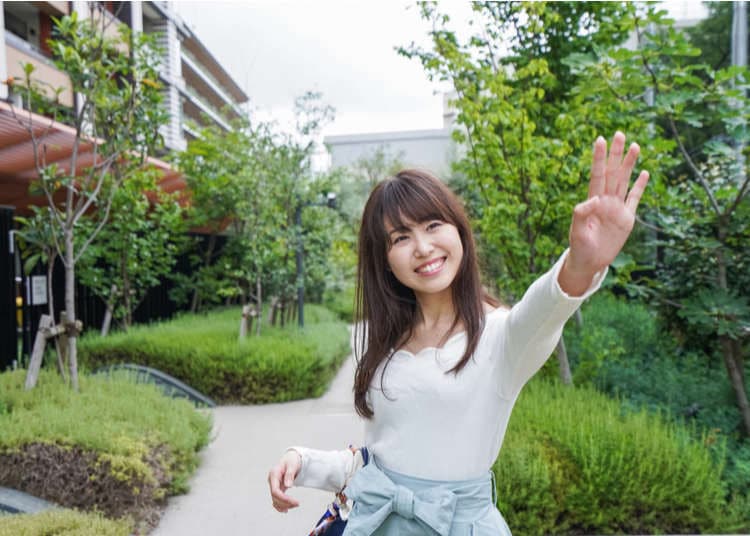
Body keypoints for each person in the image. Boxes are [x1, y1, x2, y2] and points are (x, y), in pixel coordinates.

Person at [267, 132, 650, 535]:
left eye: (433, 225)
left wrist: (579, 264)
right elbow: (378, 459)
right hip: (373, 523)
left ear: (459, 231)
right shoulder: (379, 342)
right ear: (385, 260)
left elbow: (547, 308)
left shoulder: (502, 338)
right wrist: (303, 461)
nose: (423, 247)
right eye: (401, 237)